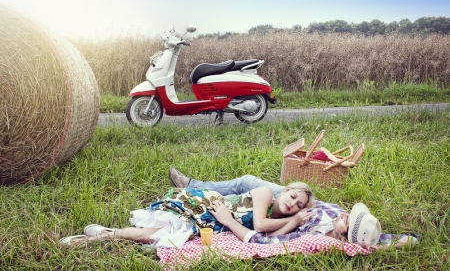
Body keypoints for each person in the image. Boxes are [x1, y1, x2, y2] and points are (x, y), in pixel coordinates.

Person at [169, 166, 418, 248]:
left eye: (347, 220)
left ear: (344, 235)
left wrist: (296, 219)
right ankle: (192, 185)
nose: (345, 213)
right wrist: (402, 239)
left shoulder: (313, 235)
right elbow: (379, 237)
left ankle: (191, 186)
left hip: (294, 208)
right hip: (305, 199)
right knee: (247, 181)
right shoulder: (337, 217)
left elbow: (262, 235)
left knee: (246, 183)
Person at [59, 180, 317, 247]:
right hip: (204, 206)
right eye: (293, 196)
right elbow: (260, 225)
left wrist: (293, 223)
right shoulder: (264, 194)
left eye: (299, 206)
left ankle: (106, 234)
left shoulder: (283, 219)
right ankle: (103, 236)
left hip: (208, 222)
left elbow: (266, 239)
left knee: (155, 236)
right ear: (283, 191)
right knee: (157, 235)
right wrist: (291, 220)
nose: (293, 204)